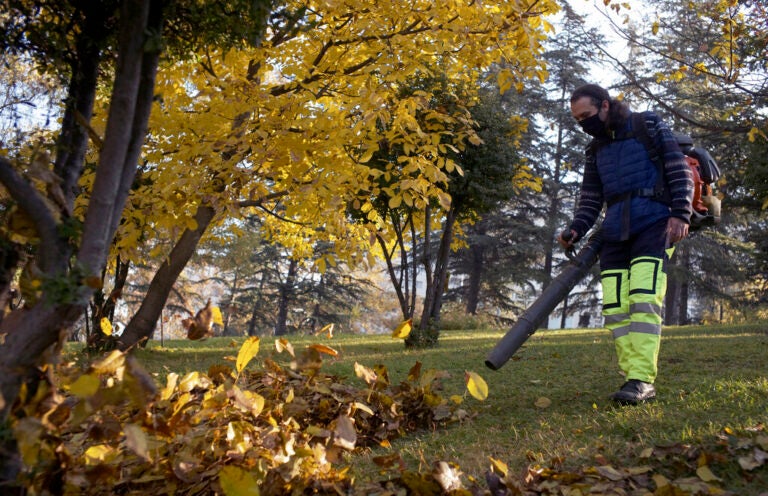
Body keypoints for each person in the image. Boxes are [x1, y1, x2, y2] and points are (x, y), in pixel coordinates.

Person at [558, 84, 693, 405]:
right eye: (577, 120)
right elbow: (591, 198)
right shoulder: (596, 150)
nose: (584, 124)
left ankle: (642, 379)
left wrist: (681, 214)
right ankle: (631, 376)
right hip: (615, 231)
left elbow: (677, 168)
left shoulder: (647, 124)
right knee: (616, 309)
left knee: (643, 298)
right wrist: (576, 228)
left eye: (587, 116)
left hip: (655, 222)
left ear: (605, 106)